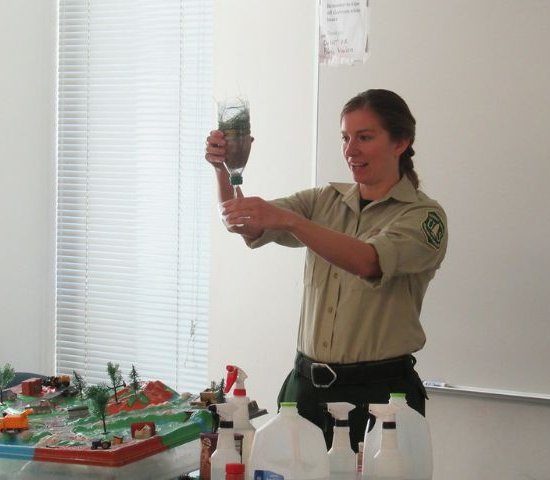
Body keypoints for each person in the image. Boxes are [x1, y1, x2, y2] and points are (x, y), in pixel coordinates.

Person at [204, 89, 448, 450]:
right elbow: (245, 223)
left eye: (365, 137)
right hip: (305, 390)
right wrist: (226, 171)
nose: (351, 150)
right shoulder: (324, 200)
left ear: (401, 142)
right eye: (345, 138)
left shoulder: (423, 216)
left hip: (379, 397)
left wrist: (291, 221)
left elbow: (367, 260)